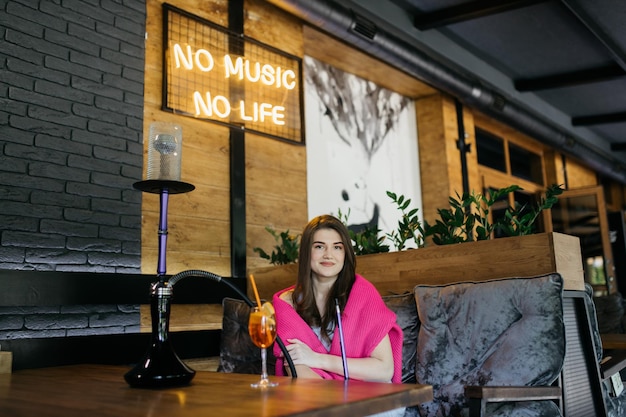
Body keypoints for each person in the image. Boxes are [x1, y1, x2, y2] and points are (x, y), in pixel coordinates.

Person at [272, 214, 405, 416]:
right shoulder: (286, 304)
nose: (328, 254)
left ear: (345, 254)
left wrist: (317, 359)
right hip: (318, 396)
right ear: (306, 252)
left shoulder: (363, 295)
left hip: (372, 395)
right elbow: (296, 367)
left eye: (337, 247)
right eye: (319, 246)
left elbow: (384, 370)